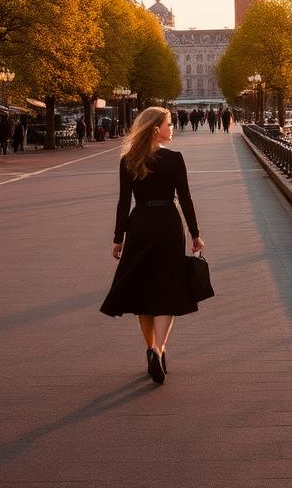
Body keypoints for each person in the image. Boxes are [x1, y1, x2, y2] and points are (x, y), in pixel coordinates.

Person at [100, 107, 205, 385]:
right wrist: (195, 233)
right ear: (156, 128)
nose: (172, 129)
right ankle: (159, 349)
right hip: (169, 225)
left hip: (141, 225)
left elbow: (124, 202)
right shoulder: (174, 159)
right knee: (167, 288)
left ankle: (150, 349)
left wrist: (118, 237)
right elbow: (185, 199)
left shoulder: (128, 161)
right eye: (169, 124)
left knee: (143, 287)